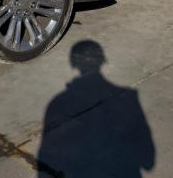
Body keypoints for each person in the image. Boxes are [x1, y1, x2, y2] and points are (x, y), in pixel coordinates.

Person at [38, 40, 155, 177]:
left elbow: (47, 157)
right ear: (101, 61)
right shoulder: (128, 99)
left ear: (74, 64)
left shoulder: (57, 104)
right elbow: (148, 161)